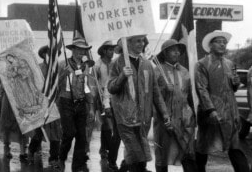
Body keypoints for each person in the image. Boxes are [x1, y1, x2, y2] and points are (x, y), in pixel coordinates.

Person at [107, 35, 171, 172]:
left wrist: (165, 113)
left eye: (143, 41)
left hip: (144, 117)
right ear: (128, 43)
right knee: (135, 153)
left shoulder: (147, 64)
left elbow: (155, 92)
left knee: (140, 151)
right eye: (138, 41)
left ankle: (127, 168)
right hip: (125, 117)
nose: (142, 44)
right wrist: (122, 77)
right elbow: (111, 88)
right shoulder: (117, 63)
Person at [195, 30, 250, 172]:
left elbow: (232, 89)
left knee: (235, 146)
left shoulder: (229, 63)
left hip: (230, 113)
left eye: (224, 42)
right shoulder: (202, 64)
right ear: (210, 45)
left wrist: (236, 83)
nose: (222, 44)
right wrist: (210, 110)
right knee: (203, 147)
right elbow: (201, 89)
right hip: (211, 113)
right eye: (219, 42)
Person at [153, 39, 197, 172]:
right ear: (165, 53)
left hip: (185, 119)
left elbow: (189, 96)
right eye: (173, 50)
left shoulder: (184, 71)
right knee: (163, 152)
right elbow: (154, 97)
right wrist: (164, 89)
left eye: (178, 50)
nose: (177, 52)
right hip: (165, 120)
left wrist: (192, 116)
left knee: (188, 153)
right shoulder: (158, 71)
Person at [57, 37, 95, 172]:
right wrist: (63, 74)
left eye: (83, 50)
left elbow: (88, 86)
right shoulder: (63, 64)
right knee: (69, 132)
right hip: (66, 102)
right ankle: (61, 157)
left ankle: (77, 165)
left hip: (81, 102)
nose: (81, 52)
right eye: (78, 49)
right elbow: (54, 85)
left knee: (82, 135)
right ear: (72, 50)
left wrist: (90, 106)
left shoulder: (87, 67)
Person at [28, 45, 62, 167]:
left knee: (56, 133)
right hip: (41, 104)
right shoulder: (38, 68)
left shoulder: (59, 68)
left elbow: (61, 85)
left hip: (55, 105)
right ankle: (31, 151)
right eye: (48, 53)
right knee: (39, 132)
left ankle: (53, 158)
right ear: (43, 55)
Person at [0, 59, 29, 162]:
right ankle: (6, 148)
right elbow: (0, 89)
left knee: (22, 124)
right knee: (6, 124)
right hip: (7, 101)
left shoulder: (23, 73)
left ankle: (23, 151)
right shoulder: (3, 75)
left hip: (20, 100)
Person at [94, 40, 120, 171]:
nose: (112, 51)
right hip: (102, 98)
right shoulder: (97, 65)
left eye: (113, 49)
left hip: (114, 96)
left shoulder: (115, 63)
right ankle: (108, 150)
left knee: (108, 125)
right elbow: (95, 83)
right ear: (104, 51)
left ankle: (103, 148)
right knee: (108, 125)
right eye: (109, 49)